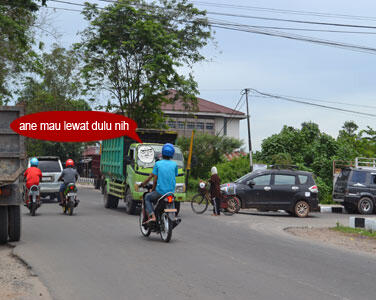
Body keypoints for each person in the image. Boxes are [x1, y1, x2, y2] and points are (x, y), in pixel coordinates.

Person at [140, 143, 178, 223]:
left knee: (147, 197)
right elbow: (173, 176)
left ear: (162, 153)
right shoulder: (174, 165)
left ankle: (153, 216)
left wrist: (153, 189)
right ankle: (173, 216)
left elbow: (155, 180)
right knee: (172, 200)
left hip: (160, 192)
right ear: (172, 154)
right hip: (171, 192)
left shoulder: (158, 164)